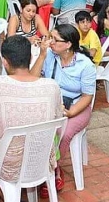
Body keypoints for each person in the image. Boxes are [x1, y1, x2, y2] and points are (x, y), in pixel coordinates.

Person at [0, 35, 63, 195]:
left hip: (7, 166)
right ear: (30, 58)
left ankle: (4, 195)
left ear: (4, 61)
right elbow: (57, 121)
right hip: (41, 161)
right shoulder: (52, 87)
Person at [30, 24, 96, 197]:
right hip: (51, 103)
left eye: (54, 39)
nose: (50, 42)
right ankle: (37, 164)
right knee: (34, 124)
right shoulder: (51, 55)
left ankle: (54, 169)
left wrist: (71, 112)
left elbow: (87, 96)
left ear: (68, 44)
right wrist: (42, 55)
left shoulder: (85, 65)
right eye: (49, 37)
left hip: (76, 106)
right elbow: (32, 79)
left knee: (62, 132)